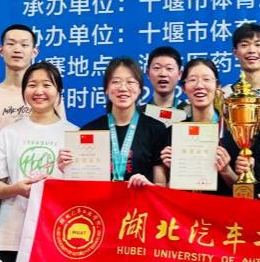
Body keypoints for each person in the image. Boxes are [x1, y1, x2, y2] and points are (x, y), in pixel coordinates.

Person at [0, 62, 76, 262]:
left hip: (57, 234)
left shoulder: (74, 134)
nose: (39, 91)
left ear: (59, 91)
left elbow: (82, 192)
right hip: (12, 235)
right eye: (32, 85)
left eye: (46, 85)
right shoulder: (9, 133)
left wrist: (67, 173)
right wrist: (16, 189)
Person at [72, 57, 168, 187]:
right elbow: (79, 184)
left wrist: (147, 185)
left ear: (140, 89)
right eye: (116, 82)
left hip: (140, 200)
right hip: (101, 200)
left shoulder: (156, 130)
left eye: (130, 82)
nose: (123, 88)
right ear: (106, 88)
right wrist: (68, 167)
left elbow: (160, 184)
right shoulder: (90, 130)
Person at [159, 57, 238, 195]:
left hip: (223, 208)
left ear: (218, 87)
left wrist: (226, 170)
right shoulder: (173, 133)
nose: (199, 85)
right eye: (192, 80)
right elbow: (164, 194)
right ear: (184, 88)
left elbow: (246, 193)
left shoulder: (234, 131)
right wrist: (176, 172)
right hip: (184, 208)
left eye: (206, 79)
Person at [0, 24, 39, 129]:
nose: (17, 49)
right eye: (11, 44)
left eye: (24, 45)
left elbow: (62, 131)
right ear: (1, 51)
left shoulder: (46, 96)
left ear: (34, 52)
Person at [142, 45, 188, 123]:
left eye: (169, 68)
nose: (163, 74)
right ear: (148, 73)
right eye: (157, 68)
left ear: (179, 74)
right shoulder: (140, 114)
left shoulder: (189, 113)